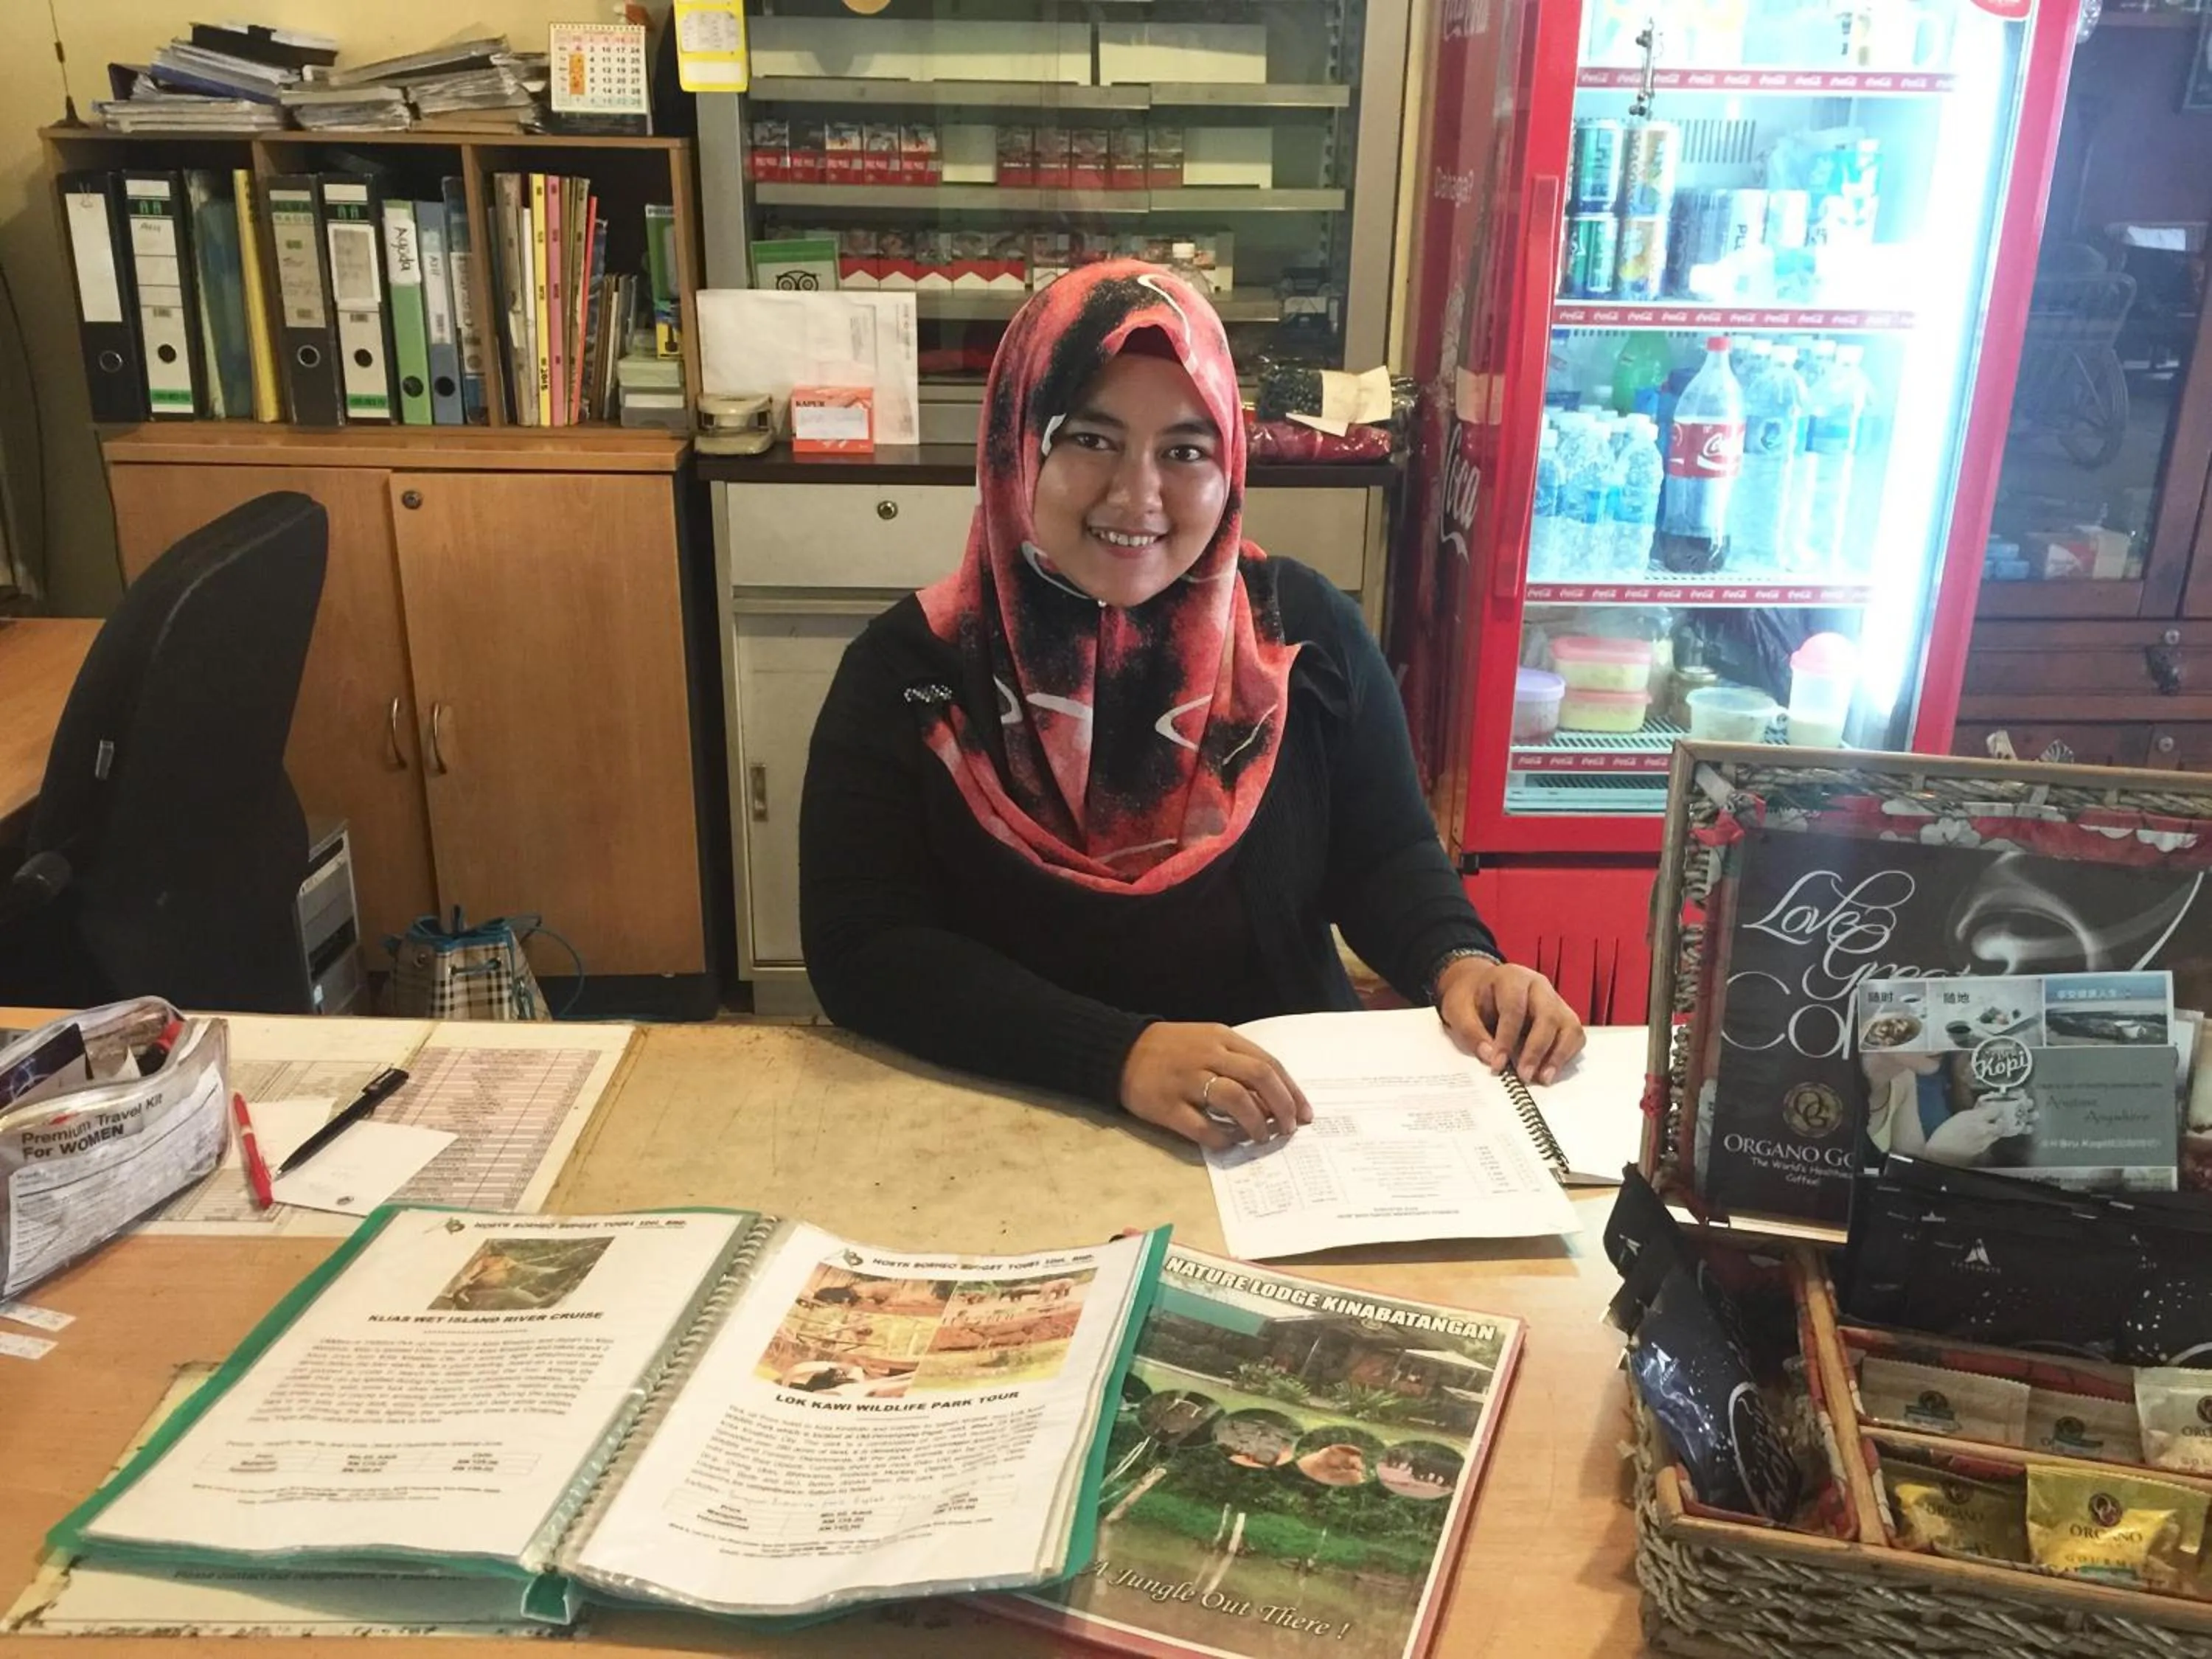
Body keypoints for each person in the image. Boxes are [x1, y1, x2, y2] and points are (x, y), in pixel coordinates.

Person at [800, 260, 1585, 1150]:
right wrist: (1118, 1054)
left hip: (1286, 1132)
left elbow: (1385, 853)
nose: (1138, 495)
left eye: (1184, 451)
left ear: (1230, 468)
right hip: (1015, 1124)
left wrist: (1461, 961)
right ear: (1017, 443)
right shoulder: (911, 673)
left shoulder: (1301, 634)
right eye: (1090, 440)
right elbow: (862, 950)